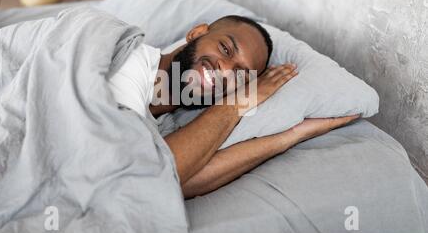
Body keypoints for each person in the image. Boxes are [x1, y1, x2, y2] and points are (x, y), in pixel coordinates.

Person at [108, 15, 359, 199]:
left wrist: (292, 135)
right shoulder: (129, 63)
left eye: (241, 74)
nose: (225, 70)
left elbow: (182, 177)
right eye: (225, 48)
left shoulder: (165, 122)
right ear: (196, 33)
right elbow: (147, 174)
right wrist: (237, 104)